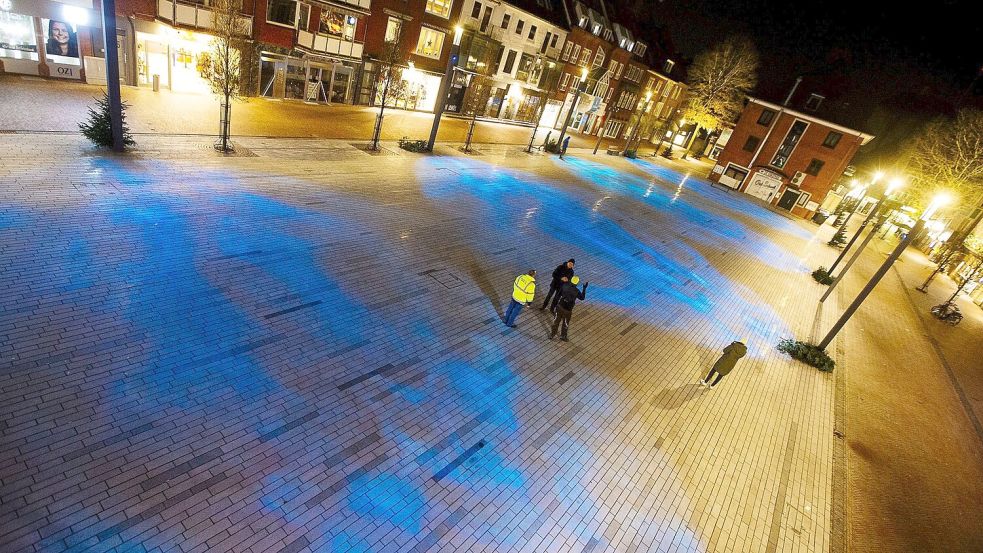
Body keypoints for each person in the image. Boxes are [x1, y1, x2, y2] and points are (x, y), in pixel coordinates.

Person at [549, 276, 587, 341]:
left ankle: (552, 334)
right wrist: (584, 288)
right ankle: (563, 336)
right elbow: (582, 298)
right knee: (565, 323)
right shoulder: (576, 291)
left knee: (556, 321)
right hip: (568, 309)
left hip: (560, 306)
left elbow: (558, 294)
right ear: (577, 283)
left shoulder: (565, 285)